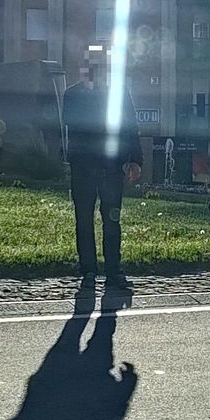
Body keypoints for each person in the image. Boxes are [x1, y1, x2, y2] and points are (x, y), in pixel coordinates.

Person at [62, 46, 143, 288]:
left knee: (112, 220)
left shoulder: (119, 93)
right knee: (84, 219)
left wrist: (136, 160)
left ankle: (113, 270)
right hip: (83, 167)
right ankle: (88, 269)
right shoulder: (73, 95)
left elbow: (131, 127)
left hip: (111, 167)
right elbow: (73, 123)